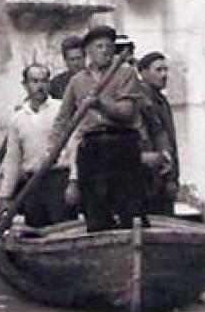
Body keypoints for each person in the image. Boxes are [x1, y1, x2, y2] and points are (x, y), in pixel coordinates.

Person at [55, 25, 147, 232]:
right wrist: (53, 149)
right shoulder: (77, 81)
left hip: (121, 144)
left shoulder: (126, 73)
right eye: (99, 46)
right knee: (95, 209)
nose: (105, 50)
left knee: (129, 208)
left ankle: (135, 243)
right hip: (92, 147)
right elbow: (62, 120)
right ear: (88, 51)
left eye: (109, 46)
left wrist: (100, 104)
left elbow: (127, 112)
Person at [0, 63, 73, 228]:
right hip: (32, 183)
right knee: (35, 228)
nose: (40, 86)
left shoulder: (61, 109)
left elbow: (74, 147)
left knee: (64, 229)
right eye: (35, 81)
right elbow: (13, 160)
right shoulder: (17, 118)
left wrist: (74, 181)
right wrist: (5, 196)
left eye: (44, 81)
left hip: (59, 179)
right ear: (25, 85)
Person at [135, 51, 180, 217]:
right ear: (144, 73)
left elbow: (169, 141)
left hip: (163, 175)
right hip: (148, 178)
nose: (164, 75)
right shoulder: (140, 101)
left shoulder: (161, 101)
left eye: (166, 70)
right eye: (158, 70)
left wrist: (172, 179)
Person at [47, 34, 86, 101]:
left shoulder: (94, 79)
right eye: (72, 59)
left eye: (79, 58)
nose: (76, 63)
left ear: (84, 57)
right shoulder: (56, 84)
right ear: (65, 60)